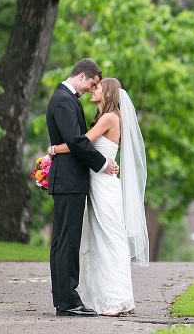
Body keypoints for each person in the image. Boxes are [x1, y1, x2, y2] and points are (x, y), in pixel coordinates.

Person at [49, 77, 149, 317]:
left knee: (110, 239)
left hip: (103, 186)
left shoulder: (109, 118)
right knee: (100, 241)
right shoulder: (106, 117)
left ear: (108, 93)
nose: (94, 90)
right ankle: (115, 299)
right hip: (97, 184)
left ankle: (118, 300)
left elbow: (79, 143)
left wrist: (53, 149)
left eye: (98, 87)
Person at [45, 59, 120, 317]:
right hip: (69, 180)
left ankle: (64, 299)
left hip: (68, 179)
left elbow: (74, 141)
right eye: (92, 83)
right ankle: (68, 301)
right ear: (82, 76)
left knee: (63, 241)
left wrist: (54, 150)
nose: (91, 89)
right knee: (67, 242)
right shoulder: (65, 100)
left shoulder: (65, 98)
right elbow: (77, 142)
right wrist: (102, 164)